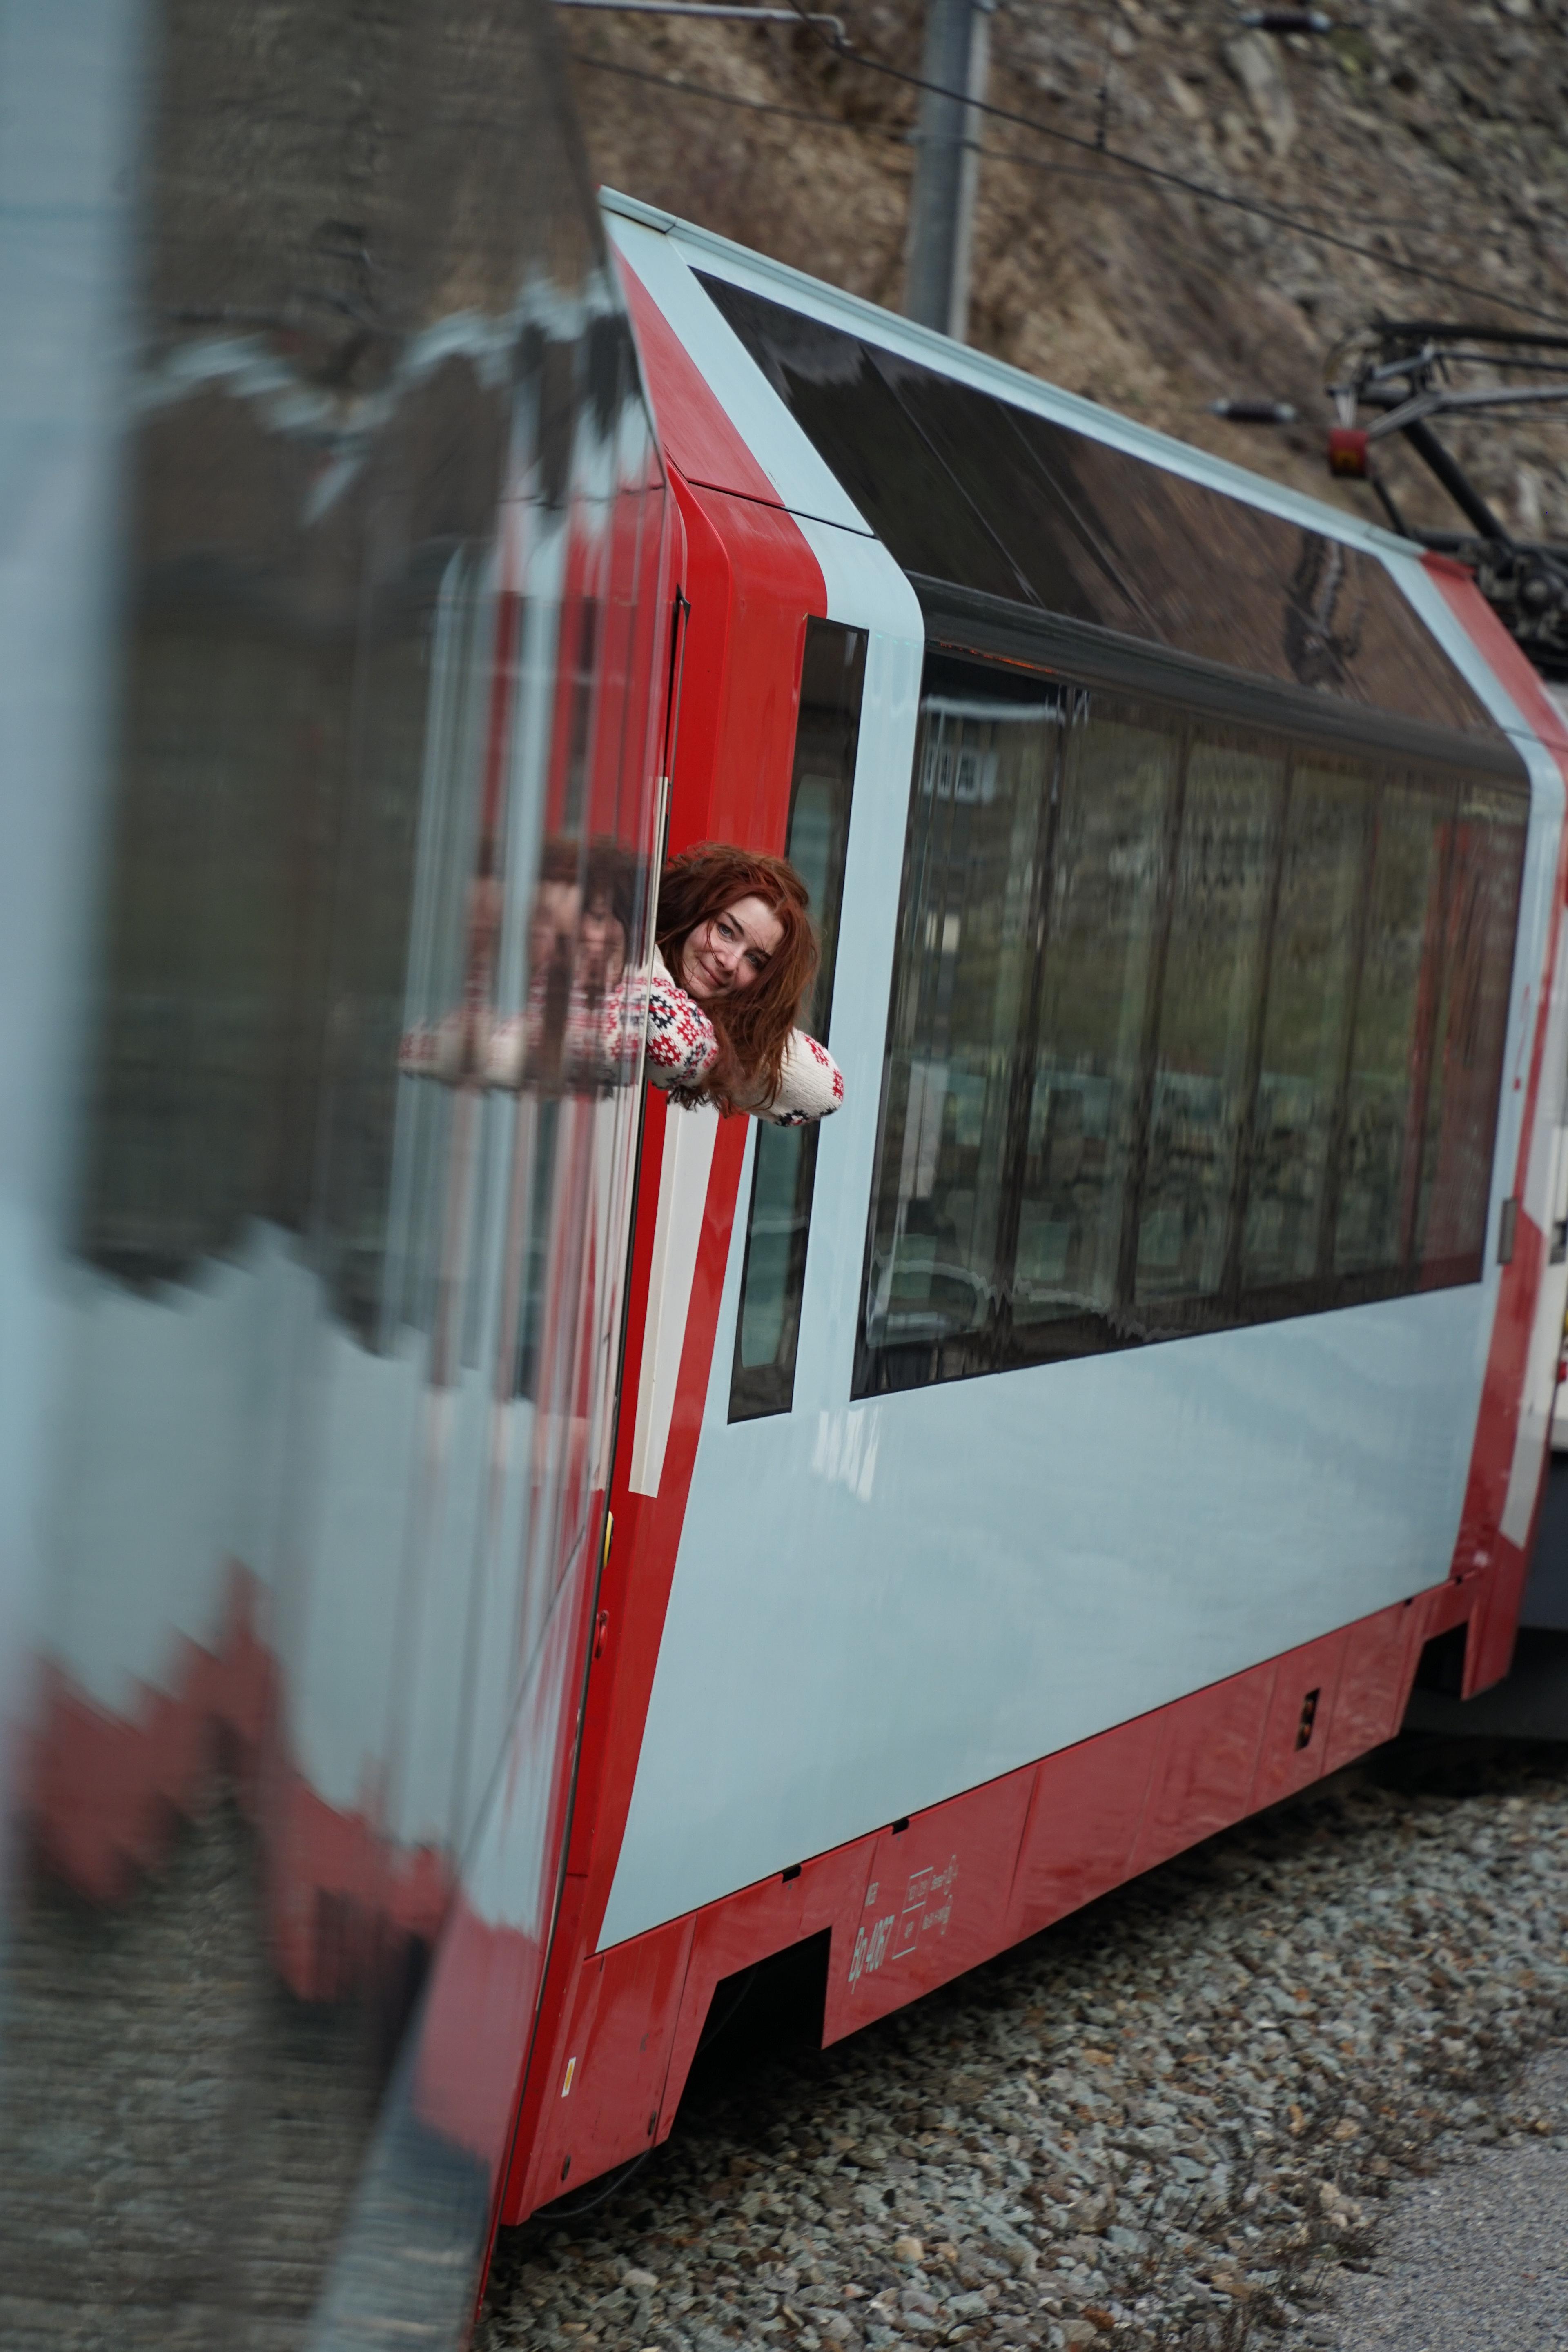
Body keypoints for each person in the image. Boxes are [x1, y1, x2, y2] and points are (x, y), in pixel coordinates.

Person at [641, 842, 843, 1126]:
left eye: (755, 961)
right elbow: (672, 1044)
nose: (730, 962)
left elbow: (827, 1090)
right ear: (694, 911)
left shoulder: (708, 1019)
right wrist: (726, 1057)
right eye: (726, 931)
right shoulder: (629, 944)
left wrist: (730, 1037)